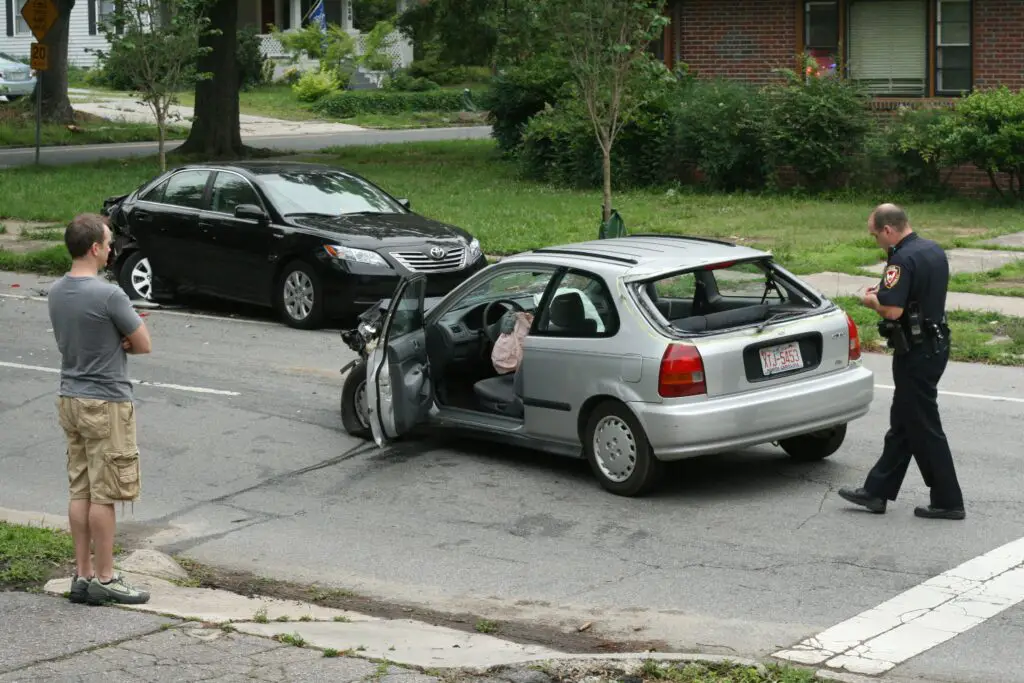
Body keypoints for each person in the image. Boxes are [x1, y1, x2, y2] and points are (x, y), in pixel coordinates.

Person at [49, 213, 154, 605]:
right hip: (106, 400)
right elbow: (143, 343)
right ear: (94, 248)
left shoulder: (57, 291)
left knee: (80, 487)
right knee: (105, 493)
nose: (112, 249)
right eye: (109, 243)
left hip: (70, 397)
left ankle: (83, 574)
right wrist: (123, 339)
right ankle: (106, 579)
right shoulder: (109, 294)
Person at [838, 203, 965, 520]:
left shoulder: (901, 260)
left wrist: (871, 300)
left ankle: (949, 500)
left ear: (888, 230)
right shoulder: (933, 250)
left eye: (875, 235)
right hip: (935, 345)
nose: (876, 241)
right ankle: (877, 492)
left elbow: (892, 311)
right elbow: (917, 295)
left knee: (923, 426)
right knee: (904, 422)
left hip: (916, 352)